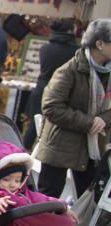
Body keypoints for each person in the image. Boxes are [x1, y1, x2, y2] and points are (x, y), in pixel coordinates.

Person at [35, 19, 111, 199]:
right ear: (99, 44)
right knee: (47, 199)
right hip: (60, 144)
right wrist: (90, 122)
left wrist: (104, 119)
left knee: (89, 201)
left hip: (93, 146)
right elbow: (51, 107)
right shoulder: (70, 70)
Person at [0, 141, 75, 220]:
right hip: (10, 225)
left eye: (17, 180)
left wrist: (62, 205)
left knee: (62, 223)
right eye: (6, 179)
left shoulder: (24, 193)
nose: (12, 184)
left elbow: (44, 199)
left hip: (28, 223)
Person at [23, 19, 78, 150]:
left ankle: (24, 152)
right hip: (63, 92)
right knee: (57, 126)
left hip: (41, 88)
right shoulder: (76, 52)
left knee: (34, 125)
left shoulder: (45, 49)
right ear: (70, 31)